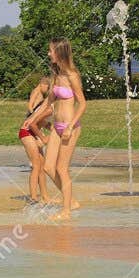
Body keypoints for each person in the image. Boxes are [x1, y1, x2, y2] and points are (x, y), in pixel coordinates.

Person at [32, 40, 85, 218]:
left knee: (62, 169)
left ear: (59, 52)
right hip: (56, 126)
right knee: (47, 167)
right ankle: (71, 200)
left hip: (70, 127)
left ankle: (66, 211)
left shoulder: (72, 76)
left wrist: (70, 126)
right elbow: (49, 102)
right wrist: (32, 118)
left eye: (51, 51)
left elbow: (83, 104)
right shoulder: (56, 74)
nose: (48, 54)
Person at [19, 78, 51, 203]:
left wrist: (53, 129)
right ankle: (33, 197)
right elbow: (33, 120)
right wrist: (43, 137)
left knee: (42, 166)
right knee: (36, 166)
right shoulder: (43, 100)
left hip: (34, 130)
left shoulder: (46, 104)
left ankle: (45, 197)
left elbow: (41, 120)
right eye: (47, 89)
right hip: (26, 132)